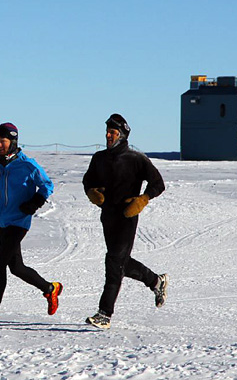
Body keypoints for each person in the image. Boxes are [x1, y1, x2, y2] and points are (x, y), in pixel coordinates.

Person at [0, 122, 62, 328]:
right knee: (16, 267)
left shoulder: (28, 165)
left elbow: (47, 185)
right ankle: (50, 289)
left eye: (2, 141)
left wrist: (35, 202)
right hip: (1, 221)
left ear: (13, 141)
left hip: (19, 221)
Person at [82, 113, 168, 329]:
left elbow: (158, 183)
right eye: (107, 132)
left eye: (113, 132)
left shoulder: (136, 159)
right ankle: (156, 281)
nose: (108, 136)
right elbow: (87, 181)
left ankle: (105, 314)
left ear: (122, 135)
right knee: (120, 262)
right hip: (107, 216)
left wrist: (143, 199)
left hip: (127, 217)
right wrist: (91, 193)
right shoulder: (99, 158)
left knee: (113, 262)